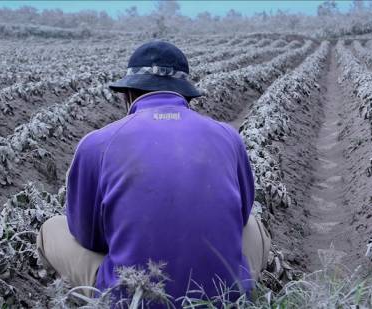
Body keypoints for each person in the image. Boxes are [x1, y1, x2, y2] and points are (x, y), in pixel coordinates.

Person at [36, 41, 271, 307]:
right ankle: (235, 295)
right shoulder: (229, 136)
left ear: (129, 95)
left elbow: (88, 237)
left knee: (50, 229)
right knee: (254, 226)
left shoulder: (97, 143)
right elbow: (239, 216)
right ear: (186, 95)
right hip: (223, 297)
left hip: (134, 296)